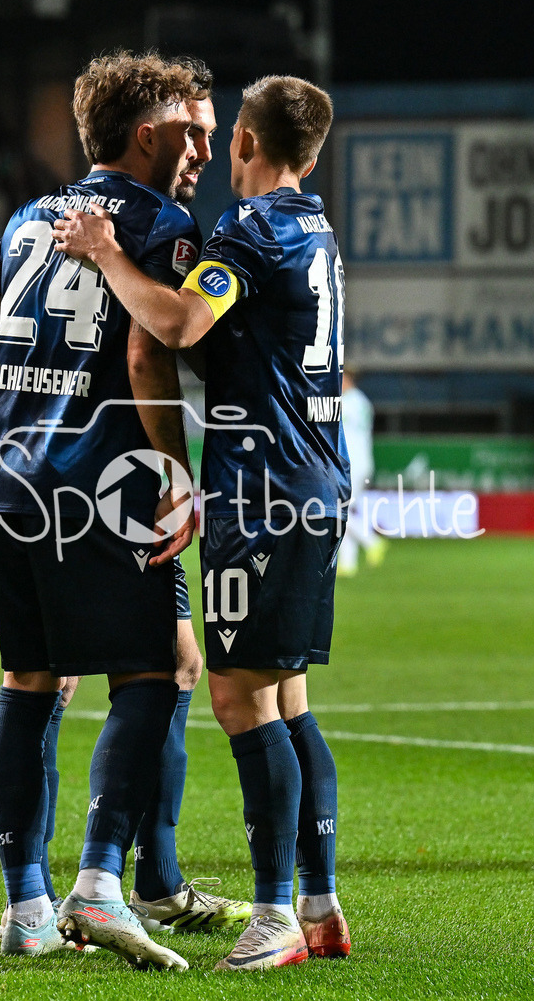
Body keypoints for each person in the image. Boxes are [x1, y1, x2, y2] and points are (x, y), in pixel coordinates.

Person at [53, 74, 353, 973]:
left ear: (247, 147)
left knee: (237, 699)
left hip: (262, 489)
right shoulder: (319, 233)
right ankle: (319, 903)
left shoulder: (252, 232)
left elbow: (179, 324)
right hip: (317, 480)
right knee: (289, 700)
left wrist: (108, 255)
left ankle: (273, 919)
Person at [0, 50, 221, 971]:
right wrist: (174, 471)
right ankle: (100, 886)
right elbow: (145, 358)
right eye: (188, 133)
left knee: (28, 683)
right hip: (97, 485)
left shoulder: (25, 216)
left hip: (12, 480)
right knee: (156, 668)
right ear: (147, 132)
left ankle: (27, 910)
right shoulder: (160, 222)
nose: (199, 149)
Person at [336, 367, 388, 576]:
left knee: (339, 511)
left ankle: (372, 541)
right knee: (345, 510)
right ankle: (348, 564)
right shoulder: (362, 401)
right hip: (362, 461)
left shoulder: (346, 403)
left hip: (352, 463)